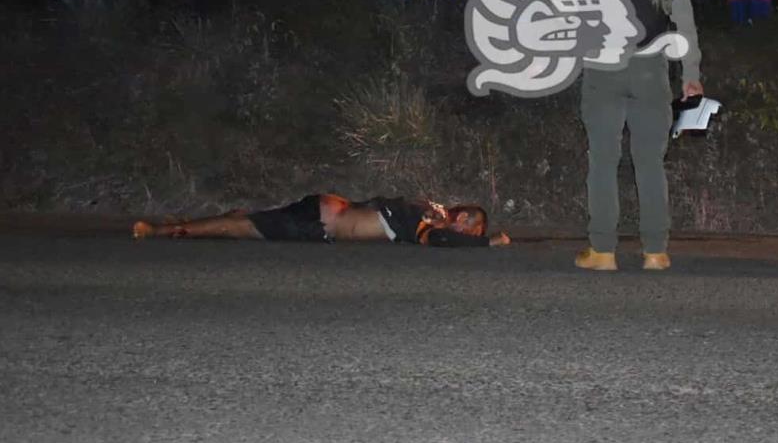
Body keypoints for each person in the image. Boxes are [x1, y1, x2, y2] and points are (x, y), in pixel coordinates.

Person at [570, 0, 702, 272]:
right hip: (651, 71)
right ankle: (656, 252)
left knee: (603, 160)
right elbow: (685, 23)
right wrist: (691, 76)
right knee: (650, 162)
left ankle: (603, 252)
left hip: (602, 71)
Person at [132, 193, 510, 247]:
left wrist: (487, 243)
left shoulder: (425, 231)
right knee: (242, 221)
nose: (463, 222)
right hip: (322, 205)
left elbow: (446, 243)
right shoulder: (431, 212)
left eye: (471, 227)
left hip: (316, 226)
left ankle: (161, 230)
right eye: (469, 216)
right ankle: (174, 226)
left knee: (237, 227)